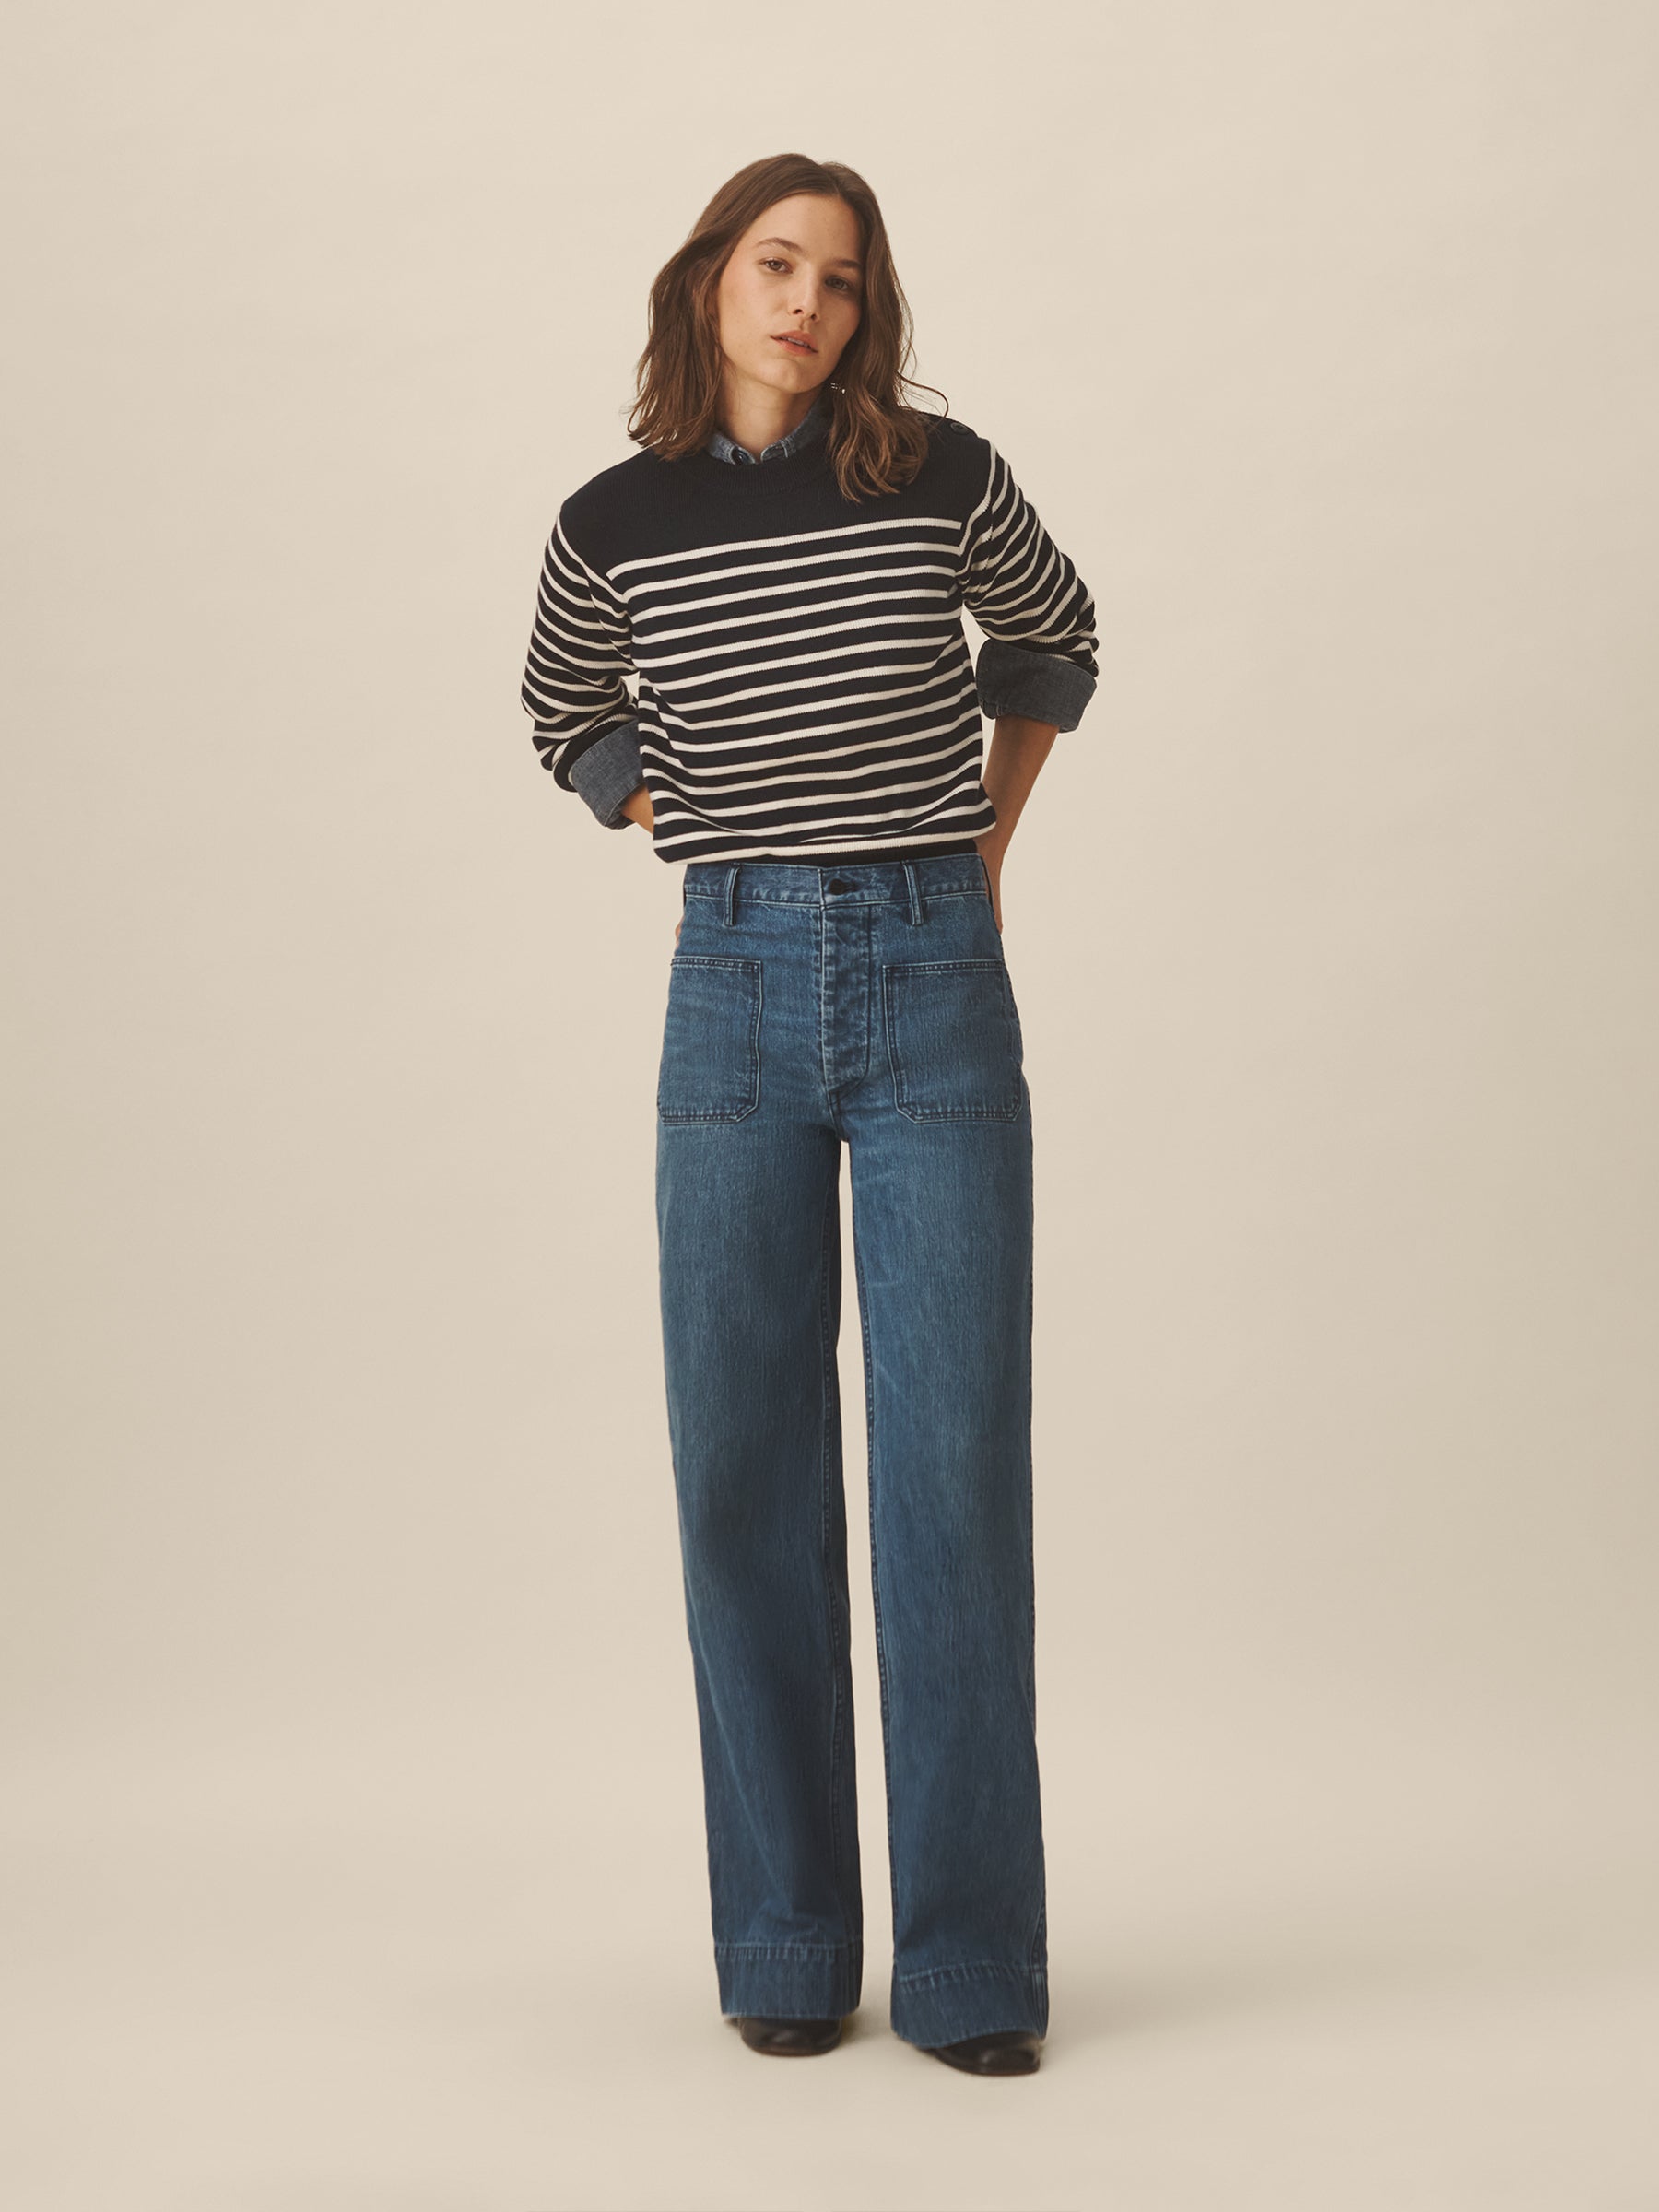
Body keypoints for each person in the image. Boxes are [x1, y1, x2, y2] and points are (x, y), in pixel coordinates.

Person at [518, 153, 1098, 2078]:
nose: (807, 306)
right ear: (709, 280)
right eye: (777, 265)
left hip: (935, 971)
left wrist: (985, 843)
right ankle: (782, 1941)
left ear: (869, 311)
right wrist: (651, 794)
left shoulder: (938, 475)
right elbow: (560, 704)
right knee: (741, 1470)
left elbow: (1056, 641)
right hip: (734, 983)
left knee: (952, 1477)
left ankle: (972, 1972)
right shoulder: (614, 520)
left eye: (842, 281)